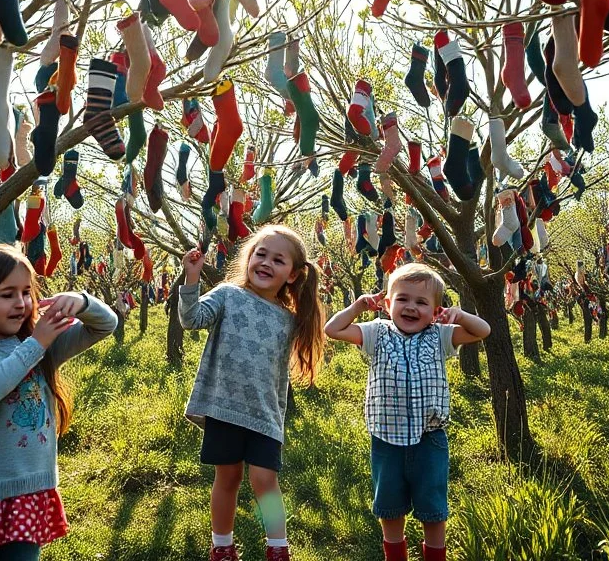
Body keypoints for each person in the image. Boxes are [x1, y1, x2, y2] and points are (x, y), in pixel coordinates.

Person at [0, 243, 117, 561]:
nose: (21, 303)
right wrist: (36, 343)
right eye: (6, 294)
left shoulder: (38, 348)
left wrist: (82, 301)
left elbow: (106, 325)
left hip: (28, 494)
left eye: (26, 292)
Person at [323, 263, 492, 561]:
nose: (411, 307)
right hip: (386, 440)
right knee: (390, 506)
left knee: (433, 509)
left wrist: (460, 315)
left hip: (431, 439)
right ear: (388, 305)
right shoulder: (376, 334)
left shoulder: (440, 336)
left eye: (421, 302)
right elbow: (332, 329)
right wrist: (358, 306)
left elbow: (483, 331)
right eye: (402, 299)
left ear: (436, 311)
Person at [179, 225, 326, 561]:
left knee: (265, 480)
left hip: (265, 413)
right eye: (261, 254)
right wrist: (191, 279)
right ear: (248, 258)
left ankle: (277, 549)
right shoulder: (228, 295)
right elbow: (192, 319)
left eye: (278, 260)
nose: (266, 263)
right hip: (224, 407)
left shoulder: (290, 320)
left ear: (292, 275)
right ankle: (222, 547)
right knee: (227, 476)